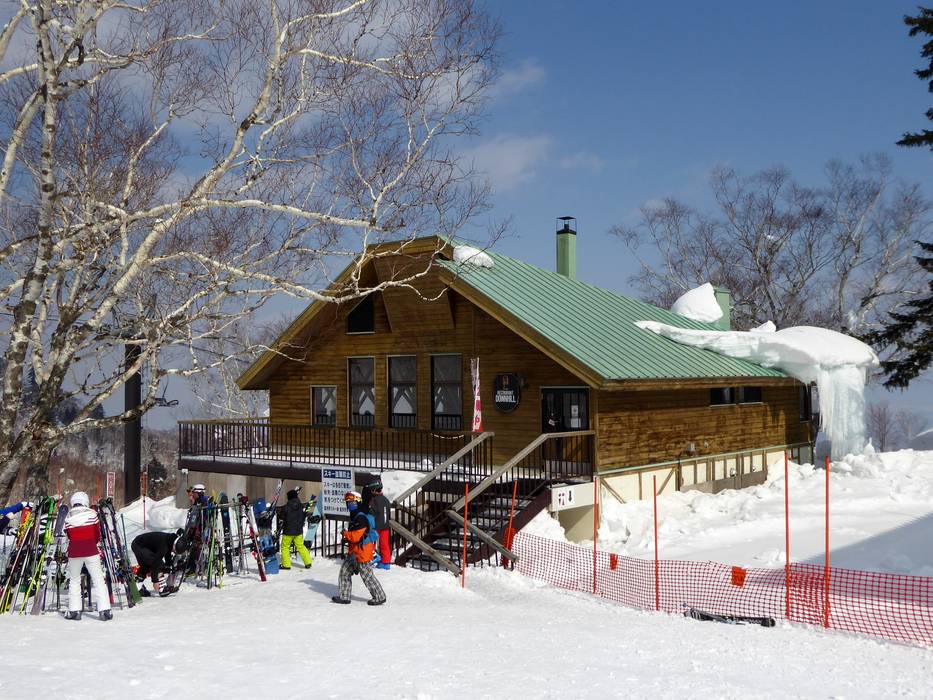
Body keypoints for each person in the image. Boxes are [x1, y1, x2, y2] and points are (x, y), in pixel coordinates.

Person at [63, 491, 112, 621]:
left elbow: (69, 536)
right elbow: (97, 535)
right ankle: (104, 610)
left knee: (74, 580)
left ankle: (74, 611)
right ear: (85, 502)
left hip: (74, 552)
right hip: (91, 551)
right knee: (98, 580)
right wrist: (91, 543)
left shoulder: (68, 519)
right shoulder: (93, 516)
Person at [331, 491, 386, 606]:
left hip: (362, 552)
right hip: (355, 551)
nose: (349, 504)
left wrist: (346, 534)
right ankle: (345, 597)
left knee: (367, 576)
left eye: (351, 502)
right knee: (345, 571)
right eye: (347, 502)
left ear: (357, 502)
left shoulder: (361, 517)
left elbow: (356, 536)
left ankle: (379, 596)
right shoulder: (355, 515)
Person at [131, 529, 185, 596]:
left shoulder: (170, 540)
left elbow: (167, 555)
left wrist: (170, 566)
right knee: (158, 564)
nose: (174, 552)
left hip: (144, 545)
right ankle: (161, 588)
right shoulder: (164, 545)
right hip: (138, 545)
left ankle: (137, 586)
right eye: (175, 551)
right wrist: (155, 581)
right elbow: (155, 564)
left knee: (146, 565)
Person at [279, 489, 313, 570]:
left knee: (285, 547)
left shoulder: (286, 507)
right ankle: (308, 562)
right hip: (298, 531)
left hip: (288, 531)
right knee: (301, 546)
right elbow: (303, 516)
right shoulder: (301, 506)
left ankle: (286, 565)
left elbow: (282, 517)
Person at [367, 482, 392, 571]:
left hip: (376, 526)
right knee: (384, 544)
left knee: (370, 542)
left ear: (374, 490)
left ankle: (373, 557)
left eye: (371, 490)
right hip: (385, 525)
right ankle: (386, 562)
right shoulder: (386, 500)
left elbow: (372, 513)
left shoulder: (374, 500)